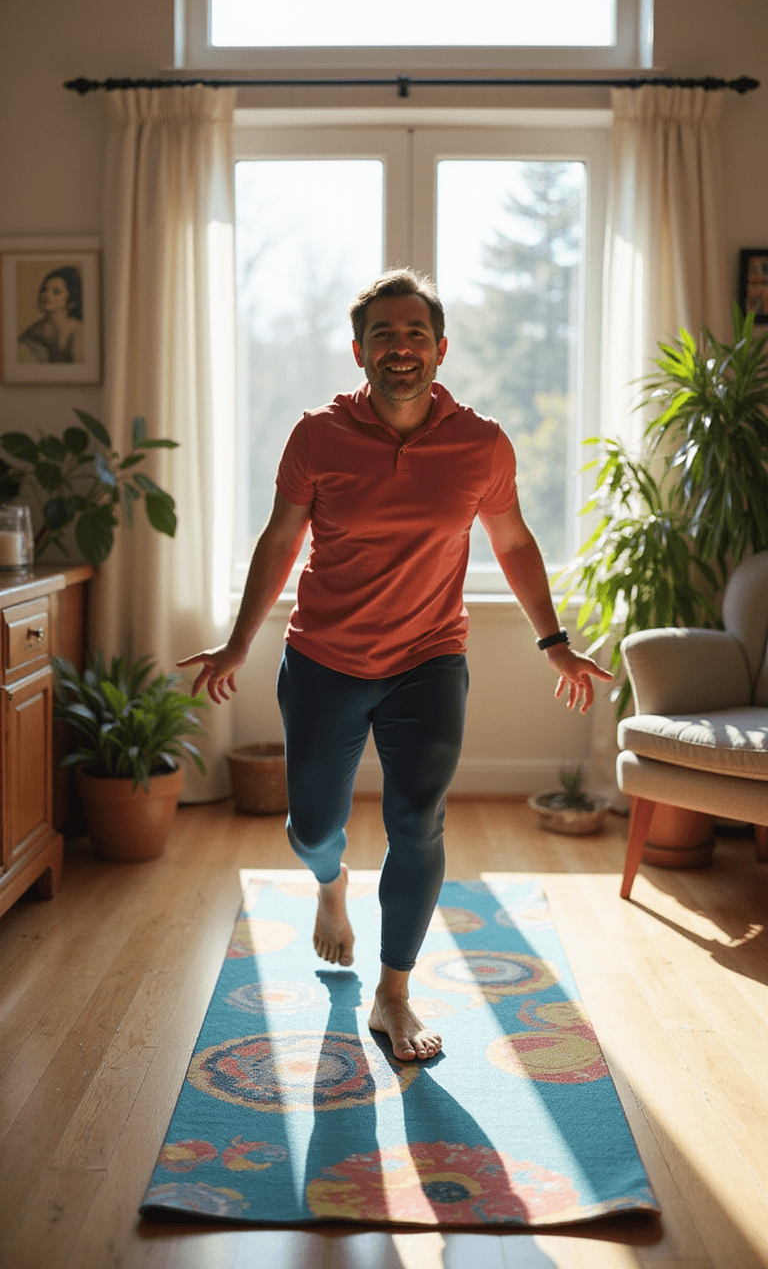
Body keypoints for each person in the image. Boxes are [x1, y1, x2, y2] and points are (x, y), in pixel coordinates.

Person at [179, 268, 612, 1063]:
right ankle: (330, 886)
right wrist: (239, 641)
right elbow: (281, 539)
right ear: (359, 351)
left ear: (440, 348)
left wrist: (554, 640)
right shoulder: (317, 435)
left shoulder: (481, 442)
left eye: (415, 333)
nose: (401, 347)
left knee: (418, 822)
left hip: (429, 659)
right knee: (312, 829)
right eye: (384, 334)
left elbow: (512, 542)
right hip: (323, 658)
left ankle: (394, 993)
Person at [17, 265, 84, 363]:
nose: (46, 295)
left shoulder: (77, 331)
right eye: (45, 289)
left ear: (71, 301)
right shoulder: (34, 331)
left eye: (56, 292)